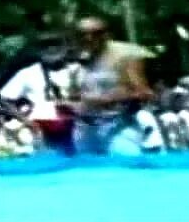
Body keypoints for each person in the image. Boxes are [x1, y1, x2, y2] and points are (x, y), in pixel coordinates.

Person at [62, 17, 154, 155]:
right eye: (82, 34)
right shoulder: (76, 58)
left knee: (126, 166)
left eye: (96, 33)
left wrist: (104, 100)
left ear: (107, 34)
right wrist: (68, 104)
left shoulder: (125, 56)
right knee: (86, 167)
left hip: (118, 128)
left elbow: (144, 93)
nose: (89, 38)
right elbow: (76, 96)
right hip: (85, 129)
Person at [0, 33, 80, 155]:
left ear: (65, 47)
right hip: (44, 129)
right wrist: (26, 121)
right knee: (51, 161)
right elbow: (3, 98)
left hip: (77, 127)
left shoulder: (77, 69)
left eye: (55, 44)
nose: (51, 48)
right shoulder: (28, 73)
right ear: (38, 50)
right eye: (45, 46)